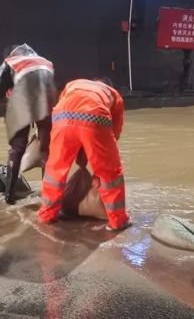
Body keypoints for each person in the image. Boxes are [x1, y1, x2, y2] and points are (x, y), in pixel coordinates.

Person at [37, 78, 130, 231]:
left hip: (61, 118)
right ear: (108, 85)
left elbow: (72, 119)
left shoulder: (73, 84)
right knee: (111, 173)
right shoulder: (114, 95)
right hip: (95, 116)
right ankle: (117, 221)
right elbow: (114, 132)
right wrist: (97, 162)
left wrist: (81, 156)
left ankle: (46, 216)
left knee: (55, 170)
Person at [0, 43, 56, 205]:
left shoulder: (11, 62)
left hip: (24, 99)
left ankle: (9, 197)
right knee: (46, 150)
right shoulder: (45, 62)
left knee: (17, 148)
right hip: (49, 99)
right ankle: (49, 196)